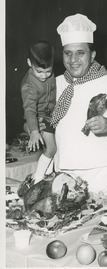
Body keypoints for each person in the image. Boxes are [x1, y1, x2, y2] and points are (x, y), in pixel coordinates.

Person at [49, 13, 107, 194]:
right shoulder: (55, 84)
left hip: (102, 174)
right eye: (68, 53)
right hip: (63, 173)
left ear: (92, 55)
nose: (73, 60)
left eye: (80, 53)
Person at [21, 40, 56, 184]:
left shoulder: (51, 74)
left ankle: (47, 179)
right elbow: (29, 109)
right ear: (30, 63)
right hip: (38, 119)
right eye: (39, 72)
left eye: (48, 71)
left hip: (50, 117)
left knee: (52, 150)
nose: (44, 76)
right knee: (51, 149)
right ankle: (37, 179)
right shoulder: (30, 85)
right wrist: (34, 130)